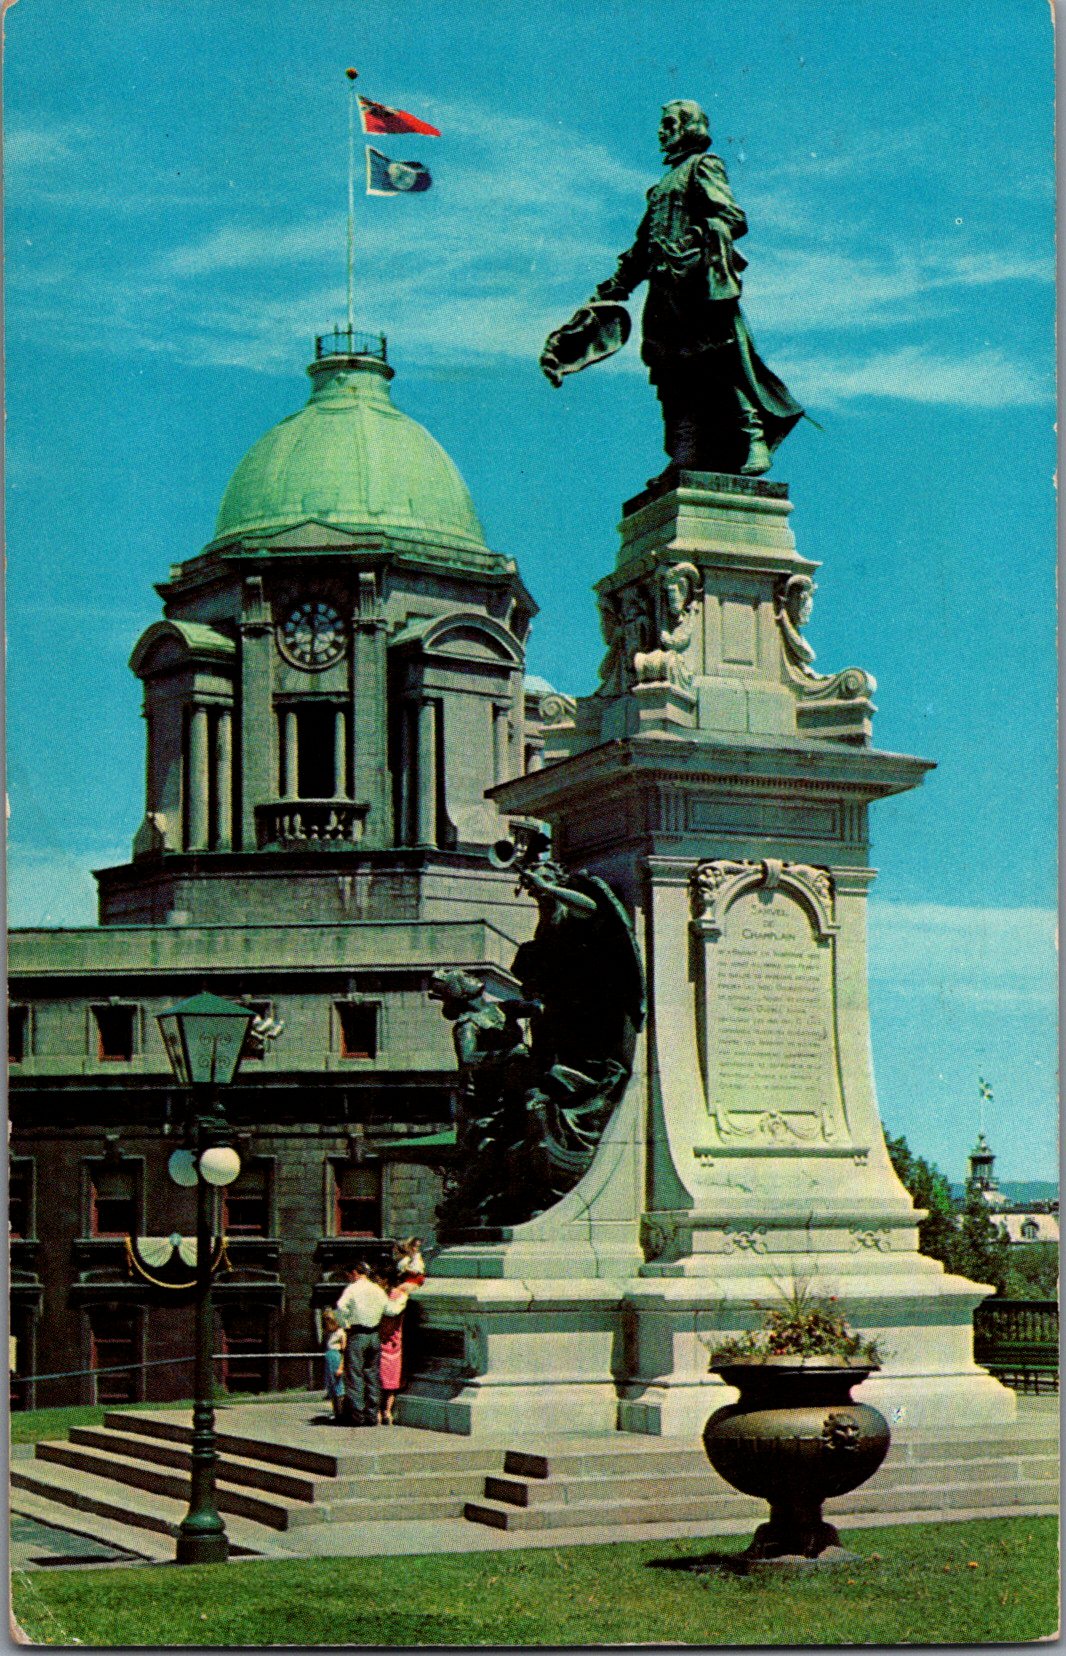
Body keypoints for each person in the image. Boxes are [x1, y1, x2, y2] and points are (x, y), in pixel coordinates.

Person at [543, 100, 804, 478]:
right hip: (664, 295)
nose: (662, 132)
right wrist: (612, 290)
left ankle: (754, 440)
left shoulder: (704, 166)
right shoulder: (660, 188)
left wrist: (695, 238)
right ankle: (686, 451)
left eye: (669, 124)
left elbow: (732, 217)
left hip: (697, 287)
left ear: (689, 127)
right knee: (670, 374)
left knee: (716, 364)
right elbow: (639, 252)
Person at [334, 1262, 388, 1426]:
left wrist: (345, 1324)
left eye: (348, 1275)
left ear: (354, 1273)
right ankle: (372, 1415)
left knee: (355, 1375)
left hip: (357, 1334)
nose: (348, 1278)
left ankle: (357, 1416)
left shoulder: (352, 1289)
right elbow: (390, 1309)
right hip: (374, 1335)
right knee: (372, 1375)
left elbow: (340, 1307)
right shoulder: (377, 1289)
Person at [377, 1282, 412, 1424]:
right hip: (396, 1345)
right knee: (391, 1383)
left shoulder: (381, 1300)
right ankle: (387, 1412)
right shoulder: (401, 1299)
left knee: (379, 1381)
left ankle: (378, 1412)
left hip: (382, 1343)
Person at [320, 1308, 346, 1424]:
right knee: (331, 1388)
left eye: (330, 1323)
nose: (328, 1326)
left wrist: (341, 1367)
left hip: (336, 1359)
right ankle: (335, 1413)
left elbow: (344, 1352)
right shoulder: (329, 1334)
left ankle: (341, 1414)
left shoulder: (341, 1333)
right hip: (329, 1359)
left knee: (338, 1388)